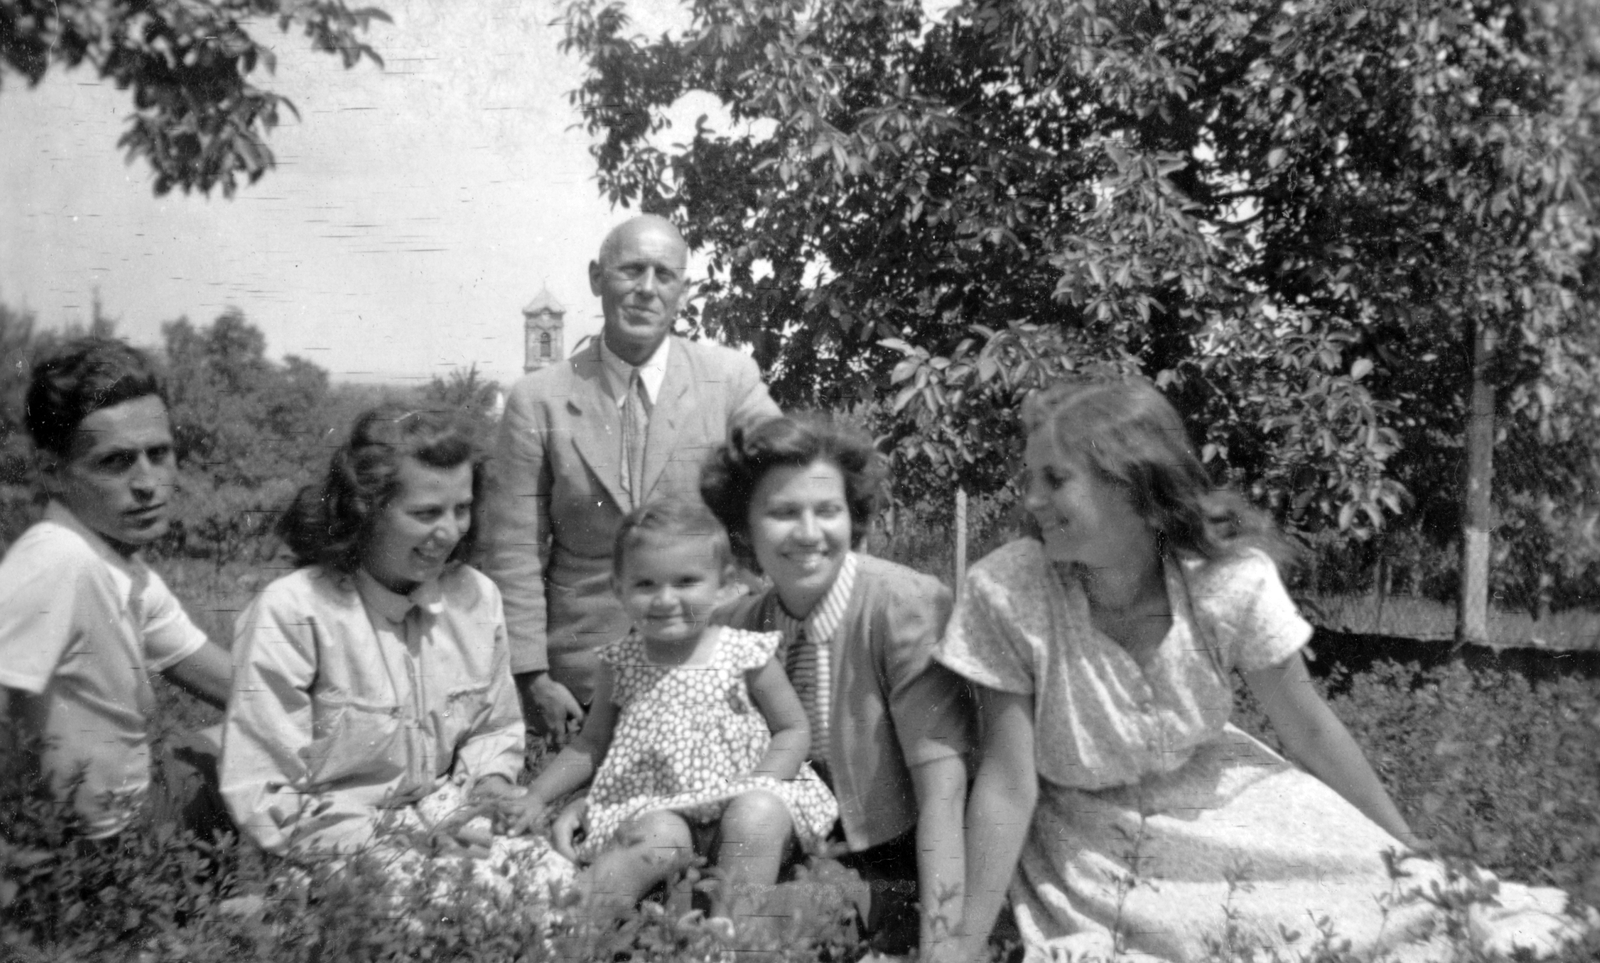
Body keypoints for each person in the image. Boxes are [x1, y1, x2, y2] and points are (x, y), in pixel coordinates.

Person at [939, 377, 1595, 963]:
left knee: (1412, 899)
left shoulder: (1227, 582)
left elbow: (1307, 728)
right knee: (1213, 935)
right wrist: (959, 947)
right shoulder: (1009, 591)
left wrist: (1403, 843)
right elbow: (1008, 782)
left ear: (1133, 484)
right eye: (1030, 477)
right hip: (1091, 838)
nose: (1032, 499)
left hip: (1230, 801)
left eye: (1056, 479)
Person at [221, 405, 570, 901]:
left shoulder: (475, 597)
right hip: (325, 837)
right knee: (448, 908)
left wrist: (490, 786)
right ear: (365, 508)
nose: (449, 532)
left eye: (461, 509)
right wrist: (405, 842)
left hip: (446, 815)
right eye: (426, 514)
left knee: (554, 890)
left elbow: (493, 728)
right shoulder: (294, 611)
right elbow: (264, 790)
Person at [479, 214, 780, 742]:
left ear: (683, 291)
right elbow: (513, 548)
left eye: (664, 275)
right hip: (583, 683)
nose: (646, 288)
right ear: (597, 278)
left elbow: (791, 483)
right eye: (631, 270)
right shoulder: (538, 400)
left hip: (712, 663)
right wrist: (531, 676)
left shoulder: (729, 381)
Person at [697, 415, 972, 959]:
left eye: (827, 511)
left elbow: (944, 796)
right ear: (744, 527)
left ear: (853, 516)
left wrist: (943, 949)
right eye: (783, 513)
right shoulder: (735, 625)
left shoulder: (904, 607)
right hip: (777, 846)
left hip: (887, 862)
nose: (808, 533)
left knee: (744, 929)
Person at [510, 499, 837, 928]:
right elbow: (590, 744)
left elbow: (793, 729)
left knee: (759, 814)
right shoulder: (621, 662)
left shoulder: (744, 653)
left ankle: (726, 939)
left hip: (742, 804)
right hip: (660, 808)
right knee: (651, 839)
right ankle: (569, 927)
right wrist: (536, 795)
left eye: (686, 582)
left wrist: (765, 779)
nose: (665, 599)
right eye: (645, 584)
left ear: (723, 585)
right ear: (619, 589)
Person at [0, 338, 232, 839]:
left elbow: (231, 684)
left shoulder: (122, 567)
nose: (148, 483)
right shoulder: (58, 558)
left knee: (255, 739)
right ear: (51, 471)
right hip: (89, 844)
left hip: (132, 808)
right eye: (116, 461)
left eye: (159, 454)